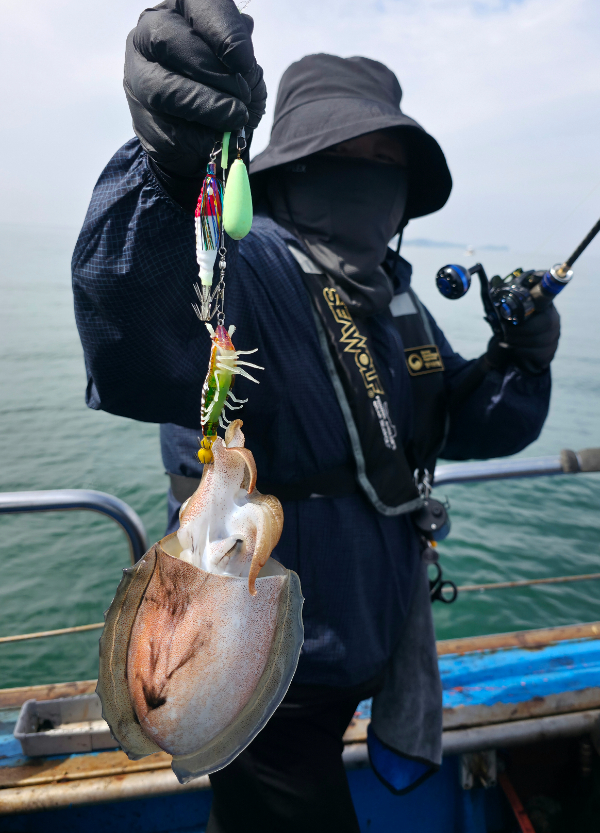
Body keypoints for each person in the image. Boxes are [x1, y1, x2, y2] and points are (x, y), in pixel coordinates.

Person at [72, 1, 560, 830]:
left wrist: (521, 361)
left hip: (369, 639)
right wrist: (168, 172)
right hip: (251, 654)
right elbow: (139, 340)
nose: (364, 180)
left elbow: (467, 421)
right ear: (292, 168)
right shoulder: (253, 265)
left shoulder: (396, 297)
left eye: (384, 163)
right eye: (341, 157)